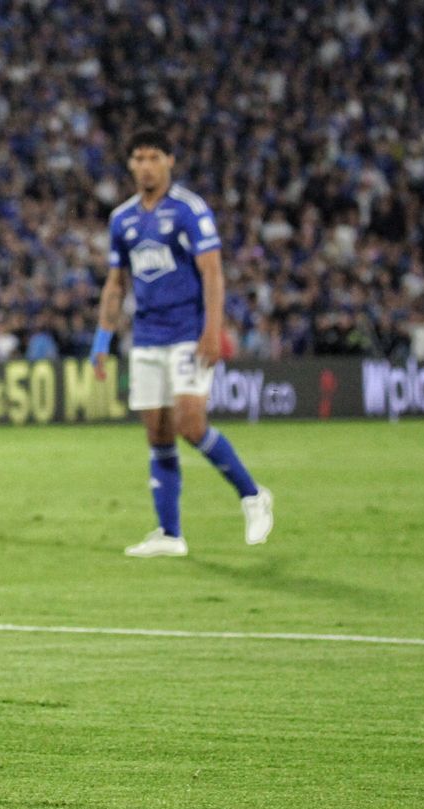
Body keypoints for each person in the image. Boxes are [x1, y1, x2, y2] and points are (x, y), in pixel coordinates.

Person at [94, 128, 272, 557]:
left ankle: (252, 495)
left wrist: (214, 331)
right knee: (157, 432)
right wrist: (101, 339)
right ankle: (170, 535)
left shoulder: (190, 210)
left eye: (154, 157)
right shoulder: (123, 219)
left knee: (190, 424)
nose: (145, 165)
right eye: (138, 158)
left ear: (170, 161)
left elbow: (212, 272)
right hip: (147, 337)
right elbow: (116, 284)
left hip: (188, 334)